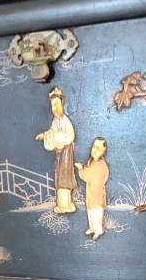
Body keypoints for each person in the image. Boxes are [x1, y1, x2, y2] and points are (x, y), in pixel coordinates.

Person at [35, 86, 77, 214]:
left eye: (57, 105)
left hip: (66, 154)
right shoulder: (55, 121)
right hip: (60, 155)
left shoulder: (65, 121)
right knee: (59, 178)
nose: (55, 108)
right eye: (53, 106)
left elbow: (68, 136)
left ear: (62, 104)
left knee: (64, 178)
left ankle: (65, 205)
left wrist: (52, 137)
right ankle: (64, 204)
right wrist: (45, 136)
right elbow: (52, 133)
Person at [75, 137, 109, 241]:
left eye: (98, 148)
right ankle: (92, 228)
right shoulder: (93, 162)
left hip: (96, 194)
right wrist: (83, 168)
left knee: (96, 213)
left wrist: (81, 168)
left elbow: (88, 176)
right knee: (90, 211)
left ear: (104, 150)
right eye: (94, 147)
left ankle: (98, 230)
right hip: (91, 192)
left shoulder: (100, 164)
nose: (95, 150)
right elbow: (89, 174)